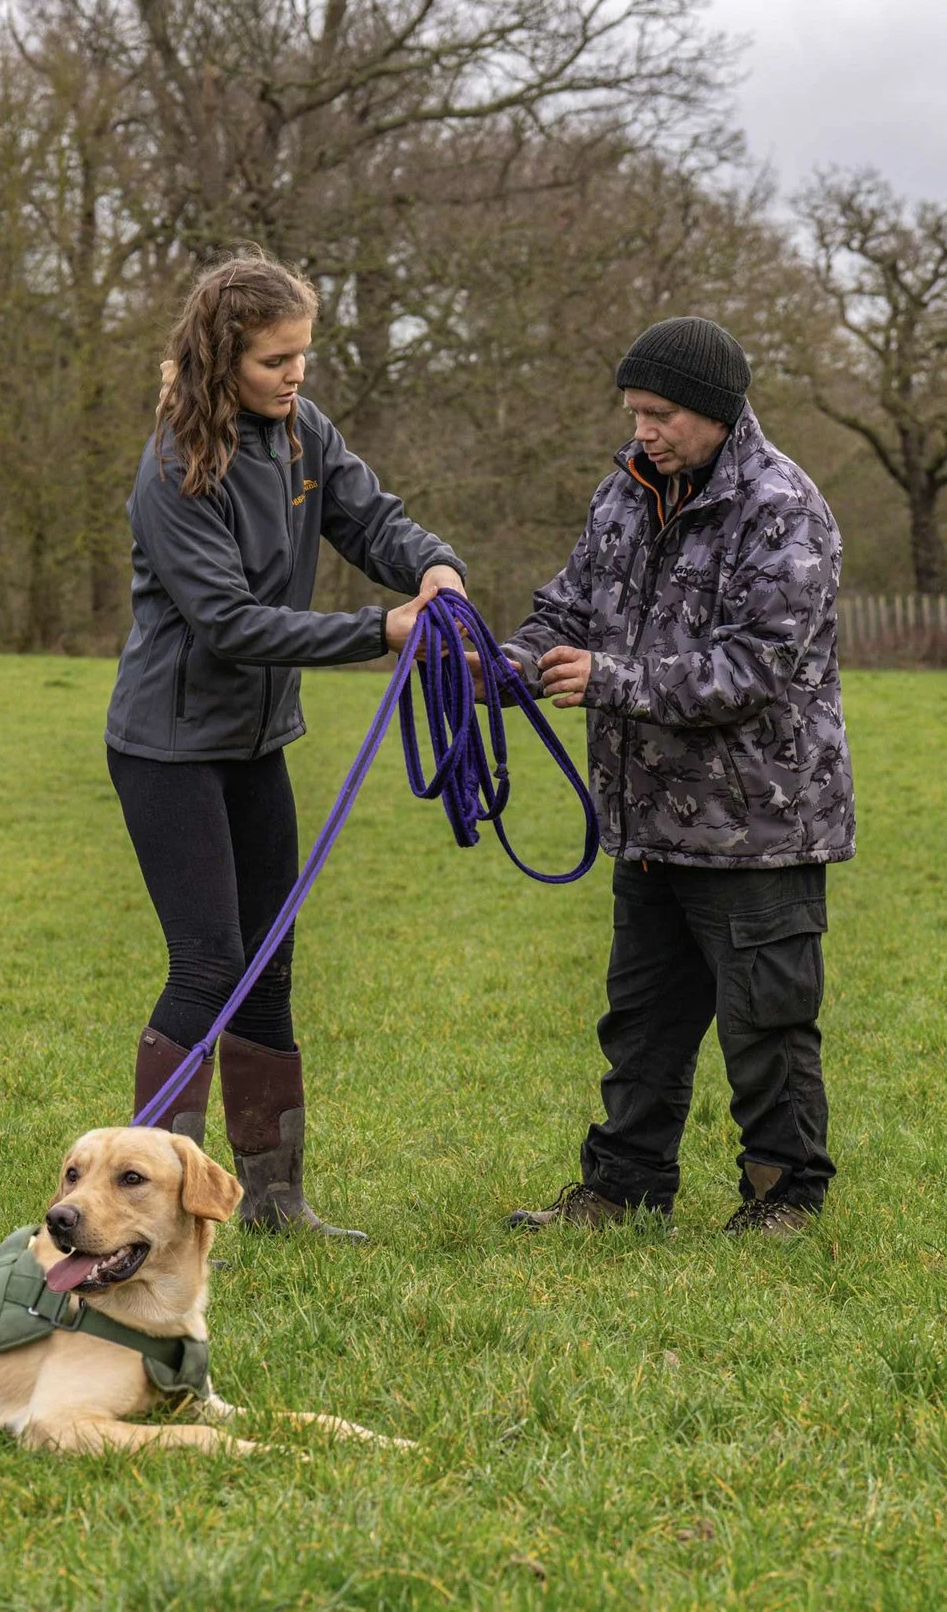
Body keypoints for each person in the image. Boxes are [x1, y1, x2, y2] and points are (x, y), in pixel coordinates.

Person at [106, 250, 466, 1241]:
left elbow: (371, 518)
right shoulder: (176, 468)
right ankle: (142, 1210)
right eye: (274, 359)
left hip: (255, 743)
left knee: (268, 965)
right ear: (224, 359)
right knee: (210, 962)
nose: (295, 373)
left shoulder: (304, 432)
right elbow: (230, 622)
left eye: (302, 353)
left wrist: (431, 568)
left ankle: (273, 1200)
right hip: (168, 746)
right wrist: (376, 631)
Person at [499, 316, 854, 1235]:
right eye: (635, 413)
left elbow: (759, 668)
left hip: (759, 828)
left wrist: (610, 680)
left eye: (660, 415)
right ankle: (623, 1187)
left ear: (715, 412)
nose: (643, 431)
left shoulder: (783, 509)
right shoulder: (622, 494)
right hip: (649, 817)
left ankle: (786, 1199)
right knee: (641, 1021)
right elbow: (567, 606)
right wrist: (504, 664)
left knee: (766, 1025)